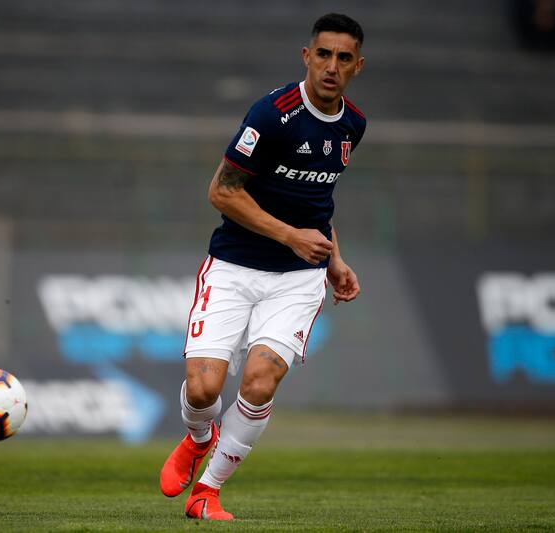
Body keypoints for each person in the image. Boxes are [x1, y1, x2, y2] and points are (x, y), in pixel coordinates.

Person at [159, 13, 366, 520]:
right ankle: (198, 436)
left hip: (297, 280)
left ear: (357, 66)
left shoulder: (352, 126)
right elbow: (221, 192)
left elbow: (317, 204)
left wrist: (334, 259)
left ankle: (206, 493)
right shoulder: (272, 114)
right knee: (205, 388)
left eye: (343, 58)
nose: (331, 66)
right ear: (306, 56)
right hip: (233, 266)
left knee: (259, 381)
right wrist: (290, 236)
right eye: (323, 54)